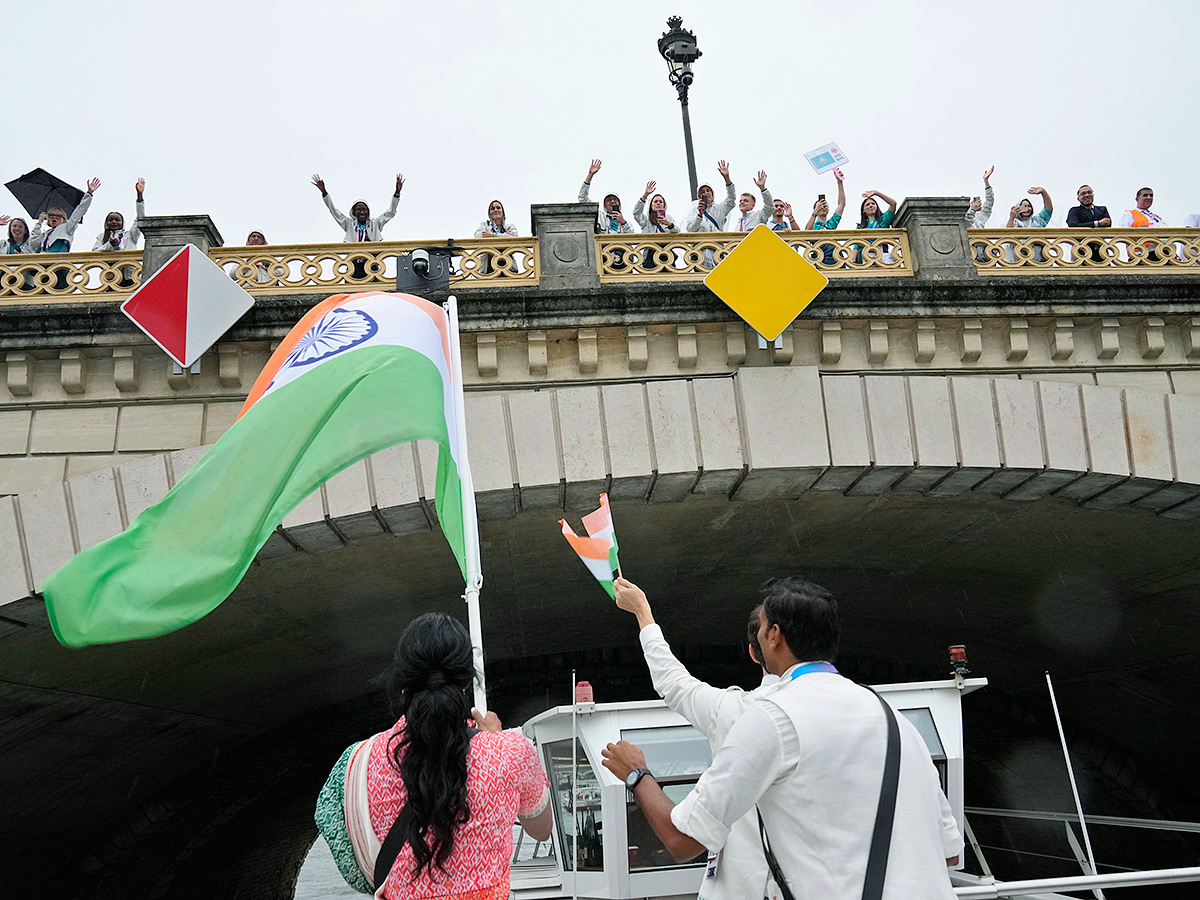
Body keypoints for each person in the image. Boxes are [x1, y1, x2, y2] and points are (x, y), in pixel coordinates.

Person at [601, 576, 962, 900]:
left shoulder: (770, 719)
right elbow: (949, 853)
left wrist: (637, 774)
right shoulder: (898, 723)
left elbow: (681, 841)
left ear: (773, 635)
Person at [315, 612, 552, 899]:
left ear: (403, 680)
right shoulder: (511, 752)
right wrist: (495, 740)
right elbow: (541, 829)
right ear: (467, 680)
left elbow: (350, 861)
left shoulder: (357, 762)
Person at [612, 576, 778, 900]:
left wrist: (644, 614)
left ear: (754, 654)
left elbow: (674, 683)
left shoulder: (733, 712)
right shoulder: (859, 714)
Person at [312, 172, 403, 279]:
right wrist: (324, 192)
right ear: (354, 212)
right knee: (351, 289)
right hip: (353, 262)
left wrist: (397, 193)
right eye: (359, 209)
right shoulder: (349, 224)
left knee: (374, 290)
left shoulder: (375, 223)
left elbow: (390, 212)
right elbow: (334, 211)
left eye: (364, 209)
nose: (362, 212)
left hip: (371, 262)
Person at [30, 178, 100, 253]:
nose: (54, 217)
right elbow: (33, 245)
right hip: (43, 260)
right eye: (51, 215)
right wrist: (39, 223)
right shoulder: (44, 235)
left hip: (58, 259)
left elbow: (80, 210)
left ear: (64, 219)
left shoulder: (67, 227)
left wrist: (89, 193)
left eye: (58, 216)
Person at [578, 159, 635, 235]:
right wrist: (590, 175)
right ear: (605, 205)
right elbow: (582, 199)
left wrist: (623, 222)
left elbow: (631, 237)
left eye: (615, 199)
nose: (612, 201)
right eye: (609, 200)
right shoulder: (599, 216)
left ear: (619, 203)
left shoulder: (627, 223)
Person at [806, 168, 847, 266]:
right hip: (821, 258)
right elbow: (807, 232)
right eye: (821, 205)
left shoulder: (831, 223)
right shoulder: (814, 225)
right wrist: (815, 211)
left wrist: (839, 182)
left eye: (825, 206)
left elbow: (841, 204)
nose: (823, 207)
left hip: (836, 257)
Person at [91, 179, 146, 251]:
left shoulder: (130, 235)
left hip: (127, 262)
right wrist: (110, 245)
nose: (114, 222)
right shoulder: (101, 237)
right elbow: (95, 252)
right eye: (110, 220)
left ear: (122, 223)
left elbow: (140, 219)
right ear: (106, 223)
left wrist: (140, 196)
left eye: (117, 220)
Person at [1004, 187, 1054, 263]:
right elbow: (1008, 234)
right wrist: (1012, 217)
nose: (1027, 209)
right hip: (1019, 257)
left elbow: (1049, 208)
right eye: (1024, 206)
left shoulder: (1037, 220)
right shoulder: (1015, 223)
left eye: (1029, 206)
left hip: (1038, 257)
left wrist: (1043, 192)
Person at [1065, 185, 1111, 265]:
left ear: (1093, 195)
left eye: (1089, 192)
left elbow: (1107, 223)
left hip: (1101, 249)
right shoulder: (1075, 211)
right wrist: (1097, 223)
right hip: (1082, 249)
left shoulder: (1102, 209)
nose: (1087, 195)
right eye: (1083, 194)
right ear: (1078, 198)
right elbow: (1073, 225)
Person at [1118, 188, 1166, 262]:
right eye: (1145, 195)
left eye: (1151, 195)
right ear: (1137, 199)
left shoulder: (1156, 217)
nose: (1149, 198)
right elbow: (1122, 234)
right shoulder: (1129, 214)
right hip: (1142, 254)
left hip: (1163, 254)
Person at [854, 188, 898, 265]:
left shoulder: (883, 220)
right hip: (864, 258)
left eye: (873, 204)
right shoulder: (860, 226)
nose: (871, 205)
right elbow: (856, 246)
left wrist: (877, 193)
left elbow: (893, 204)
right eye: (867, 205)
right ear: (863, 211)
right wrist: (853, 262)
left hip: (881, 256)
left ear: (877, 207)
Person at [474, 201, 518, 276]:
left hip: (509, 267)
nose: (495, 210)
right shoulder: (484, 225)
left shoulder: (510, 227)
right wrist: (504, 236)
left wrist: (493, 235)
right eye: (492, 208)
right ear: (489, 213)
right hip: (488, 267)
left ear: (503, 212)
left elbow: (514, 237)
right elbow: (478, 236)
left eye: (498, 208)